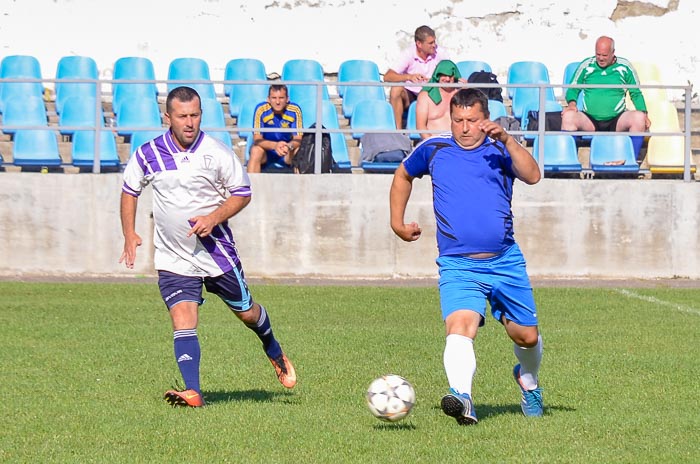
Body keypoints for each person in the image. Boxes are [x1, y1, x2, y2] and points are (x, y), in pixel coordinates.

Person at [119, 86, 297, 408]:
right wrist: (129, 234)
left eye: (195, 115)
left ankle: (271, 346)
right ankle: (194, 392)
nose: (189, 122)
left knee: (246, 313)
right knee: (182, 317)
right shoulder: (149, 153)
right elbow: (130, 190)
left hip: (216, 253)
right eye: (182, 116)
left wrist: (214, 217)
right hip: (173, 255)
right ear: (167, 117)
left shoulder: (217, 153)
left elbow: (243, 192)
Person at [389, 88, 543, 425]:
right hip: (458, 265)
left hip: (504, 261)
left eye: (471, 120)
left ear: (484, 118)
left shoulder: (500, 149)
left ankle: (528, 381)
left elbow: (533, 175)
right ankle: (463, 397)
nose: (464, 127)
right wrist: (397, 222)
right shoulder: (434, 148)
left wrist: (510, 141)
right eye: (457, 120)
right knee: (460, 327)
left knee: (526, 336)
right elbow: (403, 174)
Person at [563, 35, 651, 160]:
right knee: (568, 117)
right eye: (598, 54)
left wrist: (644, 113)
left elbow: (635, 93)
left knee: (638, 118)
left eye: (604, 55)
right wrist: (572, 104)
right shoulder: (587, 65)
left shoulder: (625, 67)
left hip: (616, 119)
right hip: (590, 120)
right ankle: (569, 163)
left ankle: (631, 161)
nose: (600, 58)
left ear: (613, 53)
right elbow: (572, 89)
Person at [384, 25, 449, 129]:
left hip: (431, 93)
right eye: (430, 43)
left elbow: (450, 74)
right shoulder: (408, 53)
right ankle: (398, 132)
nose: (434, 45)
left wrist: (434, 80)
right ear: (419, 44)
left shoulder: (440, 53)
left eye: (434, 42)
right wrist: (409, 77)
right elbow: (387, 77)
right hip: (411, 94)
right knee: (396, 90)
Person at [247, 84, 303, 173]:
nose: (277, 102)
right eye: (274, 98)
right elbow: (257, 139)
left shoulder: (295, 110)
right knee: (255, 150)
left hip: (286, 151)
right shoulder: (261, 110)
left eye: (281, 98)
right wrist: (275, 146)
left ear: (287, 99)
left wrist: (289, 146)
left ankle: (303, 186)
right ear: (268, 99)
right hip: (266, 152)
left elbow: (298, 138)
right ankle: (250, 186)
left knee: (299, 150)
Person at [415, 59, 463, 139]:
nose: (447, 79)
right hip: (433, 142)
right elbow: (421, 127)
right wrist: (432, 144)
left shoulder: (461, 94)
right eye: (444, 75)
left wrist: (468, 89)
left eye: (450, 76)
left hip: (457, 144)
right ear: (437, 76)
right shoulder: (425, 96)